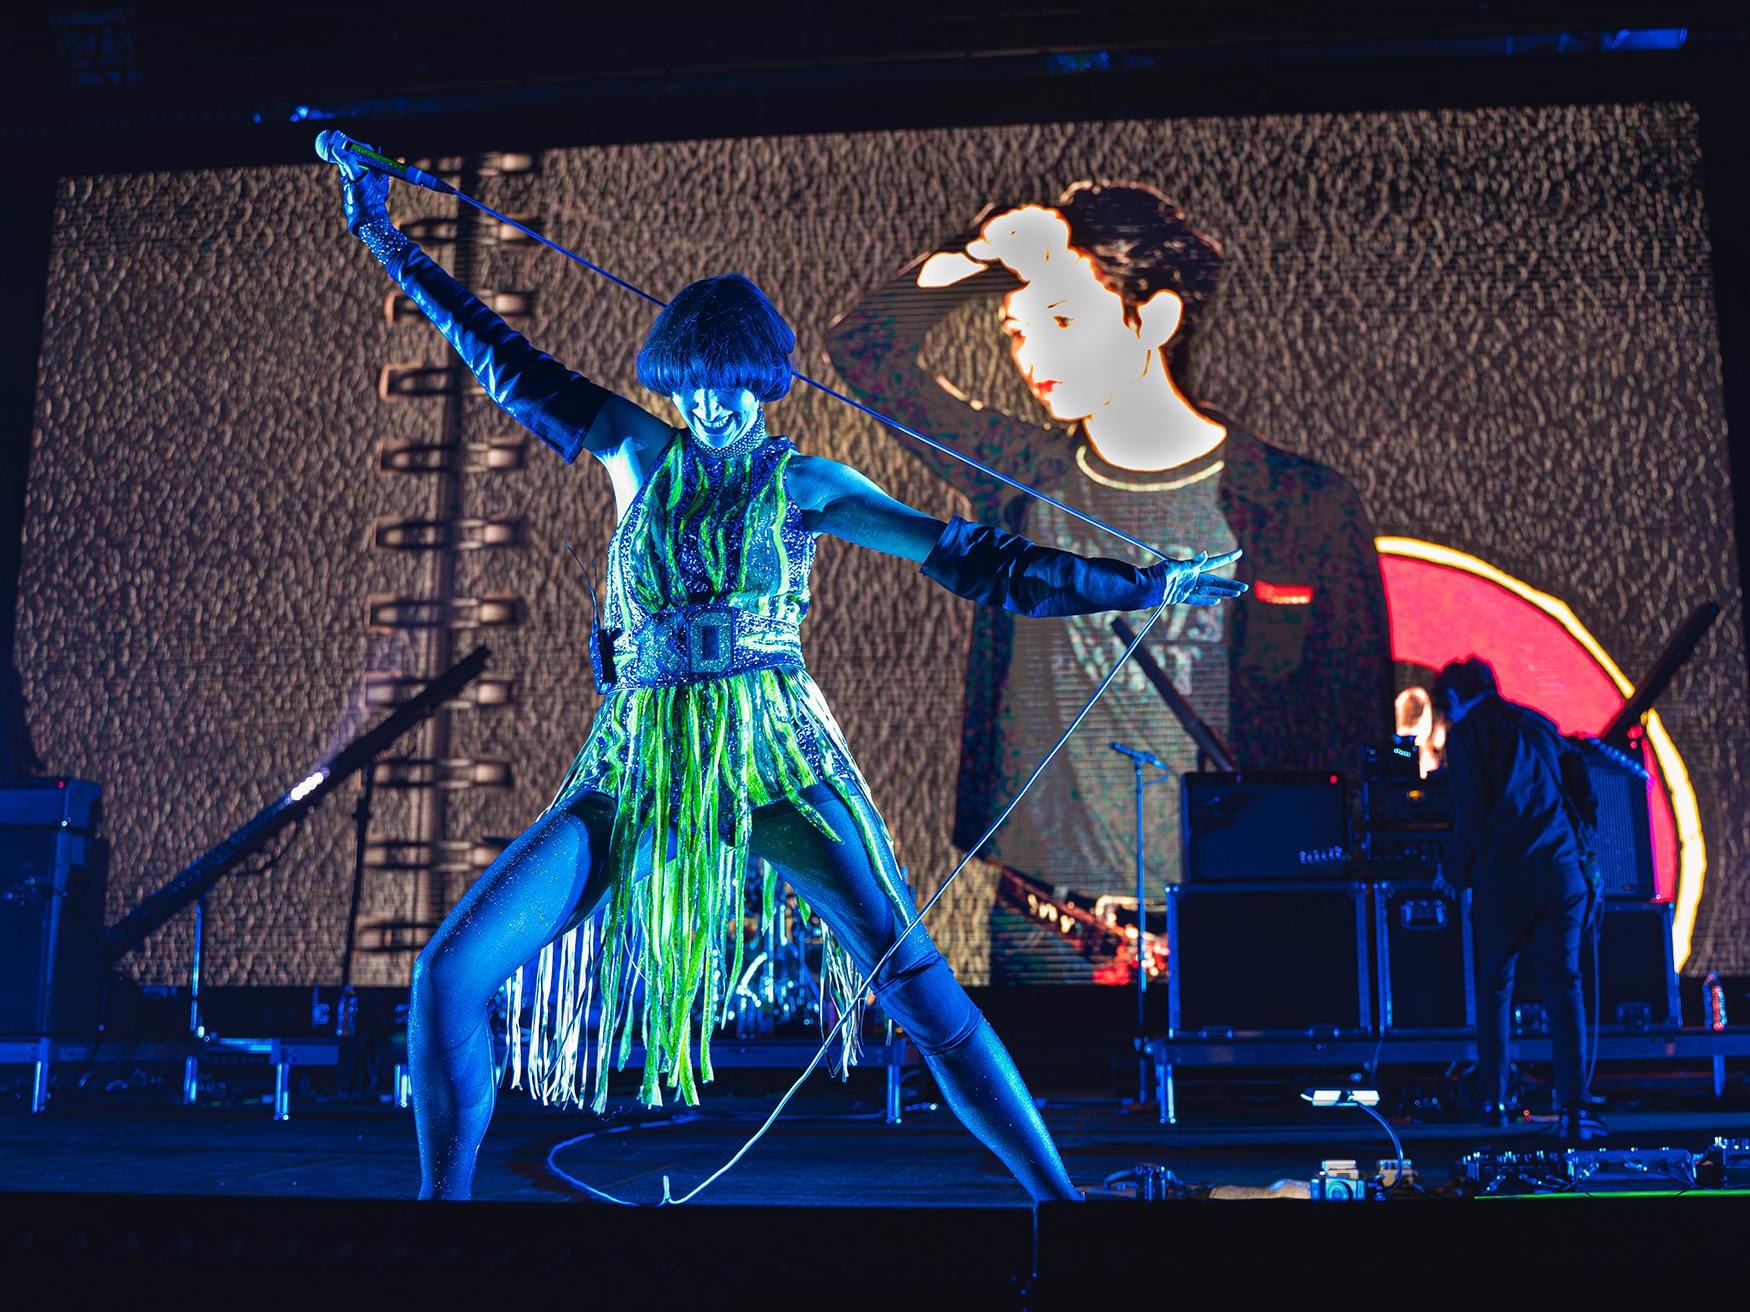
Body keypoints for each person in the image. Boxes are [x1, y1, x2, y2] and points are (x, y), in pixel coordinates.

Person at [328, 150, 1247, 1199]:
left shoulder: (804, 483)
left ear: (762, 379)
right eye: (689, 387)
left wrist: (1139, 584)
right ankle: (441, 1227)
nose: (708, 407)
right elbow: (505, 360)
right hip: (636, 766)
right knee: (447, 974)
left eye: (726, 385)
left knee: (915, 983)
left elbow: (977, 559)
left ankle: (1061, 1205)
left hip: (771, 760)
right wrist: (383, 232)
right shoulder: (637, 453)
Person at [827, 185, 1390, 937]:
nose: (1034, 356)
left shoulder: (1302, 504)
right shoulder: (1021, 476)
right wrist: (976, 253)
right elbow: (864, 350)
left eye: (1063, 320)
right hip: (1045, 924)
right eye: (1018, 332)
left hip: (1237, 921)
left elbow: (1355, 731)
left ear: (1154, 318)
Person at [1428, 656, 1606, 1141]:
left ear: (1455, 698)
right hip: (1562, 873)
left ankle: (1493, 1099)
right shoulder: (1537, 721)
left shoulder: (1467, 733)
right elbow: (1581, 781)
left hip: (1506, 876)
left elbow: (1473, 811)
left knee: (1494, 985)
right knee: (1564, 985)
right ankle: (1574, 1109)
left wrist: (1453, 871)